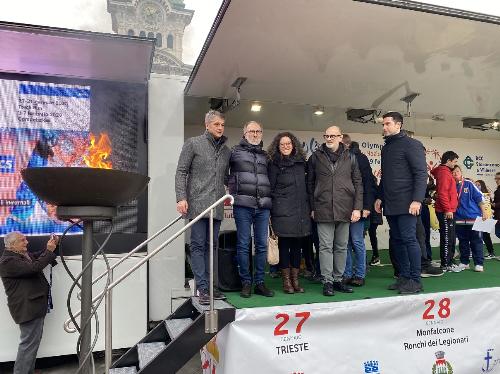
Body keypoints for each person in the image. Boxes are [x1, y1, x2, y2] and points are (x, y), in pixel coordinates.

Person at [175, 110, 231, 305]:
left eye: (222, 125)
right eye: (216, 124)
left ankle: (212, 287)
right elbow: (181, 172)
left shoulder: (226, 151)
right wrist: (181, 197)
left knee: (212, 246)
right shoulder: (193, 143)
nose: (220, 128)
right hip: (198, 205)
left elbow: (226, 177)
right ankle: (202, 288)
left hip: (216, 206)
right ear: (207, 125)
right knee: (198, 246)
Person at [374, 112, 427, 294]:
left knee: (409, 240)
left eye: (387, 124)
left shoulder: (412, 145)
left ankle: (415, 279)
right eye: (383, 124)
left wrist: (417, 200)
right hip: (391, 204)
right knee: (397, 241)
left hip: (408, 204)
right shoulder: (386, 148)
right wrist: (380, 196)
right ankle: (404, 277)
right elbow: (386, 177)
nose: (384, 127)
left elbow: (421, 174)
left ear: (398, 125)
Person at [307, 125, 363, 296]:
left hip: (345, 208)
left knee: (341, 246)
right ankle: (327, 282)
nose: (329, 139)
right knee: (325, 247)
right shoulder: (315, 157)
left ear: (340, 137)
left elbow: (358, 183)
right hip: (323, 208)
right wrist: (312, 207)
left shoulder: (351, 157)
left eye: (333, 136)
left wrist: (357, 208)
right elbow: (309, 184)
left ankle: (338, 280)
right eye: (326, 136)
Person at [0, 231, 58, 374]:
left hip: (33, 306)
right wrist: (49, 251)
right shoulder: (8, 262)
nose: (27, 242)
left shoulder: (21, 255)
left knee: (32, 343)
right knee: (28, 344)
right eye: (22, 240)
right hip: (27, 308)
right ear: (12, 245)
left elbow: (38, 256)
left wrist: (51, 246)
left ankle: (28, 371)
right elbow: (34, 268)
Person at [228, 121, 274, 298]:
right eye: (251, 131)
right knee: (243, 244)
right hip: (242, 206)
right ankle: (246, 282)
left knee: (262, 245)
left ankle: (260, 283)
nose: (255, 134)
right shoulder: (234, 152)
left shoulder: (265, 155)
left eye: (258, 131)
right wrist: (234, 190)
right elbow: (226, 175)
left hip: (263, 207)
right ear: (244, 132)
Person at [267, 132, 311, 294]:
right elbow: (270, 188)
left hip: (300, 211)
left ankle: (295, 280)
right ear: (278, 147)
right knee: (285, 246)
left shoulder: (301, 163)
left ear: (294, 145)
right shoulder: (273, 164)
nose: (286, 146)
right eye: (282, 144)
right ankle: (286, 282)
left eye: (288, 143)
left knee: (297, 247)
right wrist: (274, 209)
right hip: (282, 212)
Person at [342, 138, 376, 287]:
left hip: (358, 206)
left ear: (347, 145)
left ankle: (360, 274)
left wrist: (366, 207)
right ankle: (348, 273)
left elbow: (368, 182)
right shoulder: (337, 159)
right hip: (342, 208)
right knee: (345, 243)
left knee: (356, 241)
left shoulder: (361, 158)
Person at [452, 166, 489, 272]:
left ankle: (479, 263)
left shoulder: (468, 183)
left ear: (461, 172)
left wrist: (484, 212)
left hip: (473, 218)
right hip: (459, 219)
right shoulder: (451, 186)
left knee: (476, 241)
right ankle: (464, 262)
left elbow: (479, 198)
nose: (455, 174)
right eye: (453, 172)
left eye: (457, 171)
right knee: (463, 241)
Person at [430, 151, 459, 271]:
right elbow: (442, 193)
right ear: (448, 161)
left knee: (450, 237)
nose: (455, 164)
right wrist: (448, 209)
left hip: (449, 210)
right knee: (447, 237)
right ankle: (445, 263)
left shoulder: (446, 172)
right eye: (455, 161)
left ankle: (449, 260)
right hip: (445, 211)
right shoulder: (444, 173)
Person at [475, 179, 496, 259]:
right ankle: (489, 252)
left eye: (478, 185)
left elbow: (487, 207)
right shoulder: (477, 194)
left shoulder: (485, 195)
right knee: (480, 236)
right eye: (476, 185)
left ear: (482, 186)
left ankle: (491, 252)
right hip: (480, 217)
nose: (477, 186)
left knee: (485, 236)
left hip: (486, 217)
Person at [492, 172, 500, 239]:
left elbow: (496, 204)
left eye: (499, 178)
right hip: (497, 215)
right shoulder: (497, 190)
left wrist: (495, 205)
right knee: (497, 233)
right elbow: (494, 204)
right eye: (496, 178)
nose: (497, 180)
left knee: (498, 232)